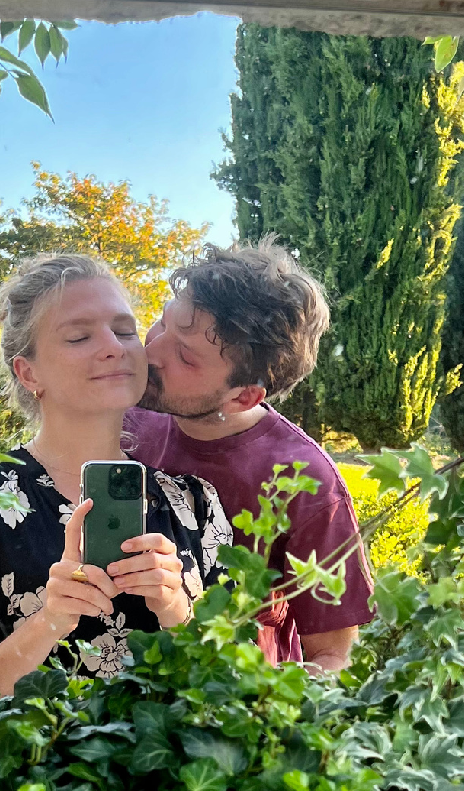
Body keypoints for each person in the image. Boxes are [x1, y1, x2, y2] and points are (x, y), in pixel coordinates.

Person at [0, 253, 230, 693]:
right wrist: (50, 620)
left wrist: (178, 613)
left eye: (124, 331)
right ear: (28, 372)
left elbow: (233, 684)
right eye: (79, 336)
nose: (114, 347)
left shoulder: (196, 506)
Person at [128, 241, 374, 672]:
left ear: (243, 397)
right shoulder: (125, 414)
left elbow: (333, 658)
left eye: (185, 356)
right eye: (163, 323)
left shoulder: (305, 482)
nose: (152, 352)